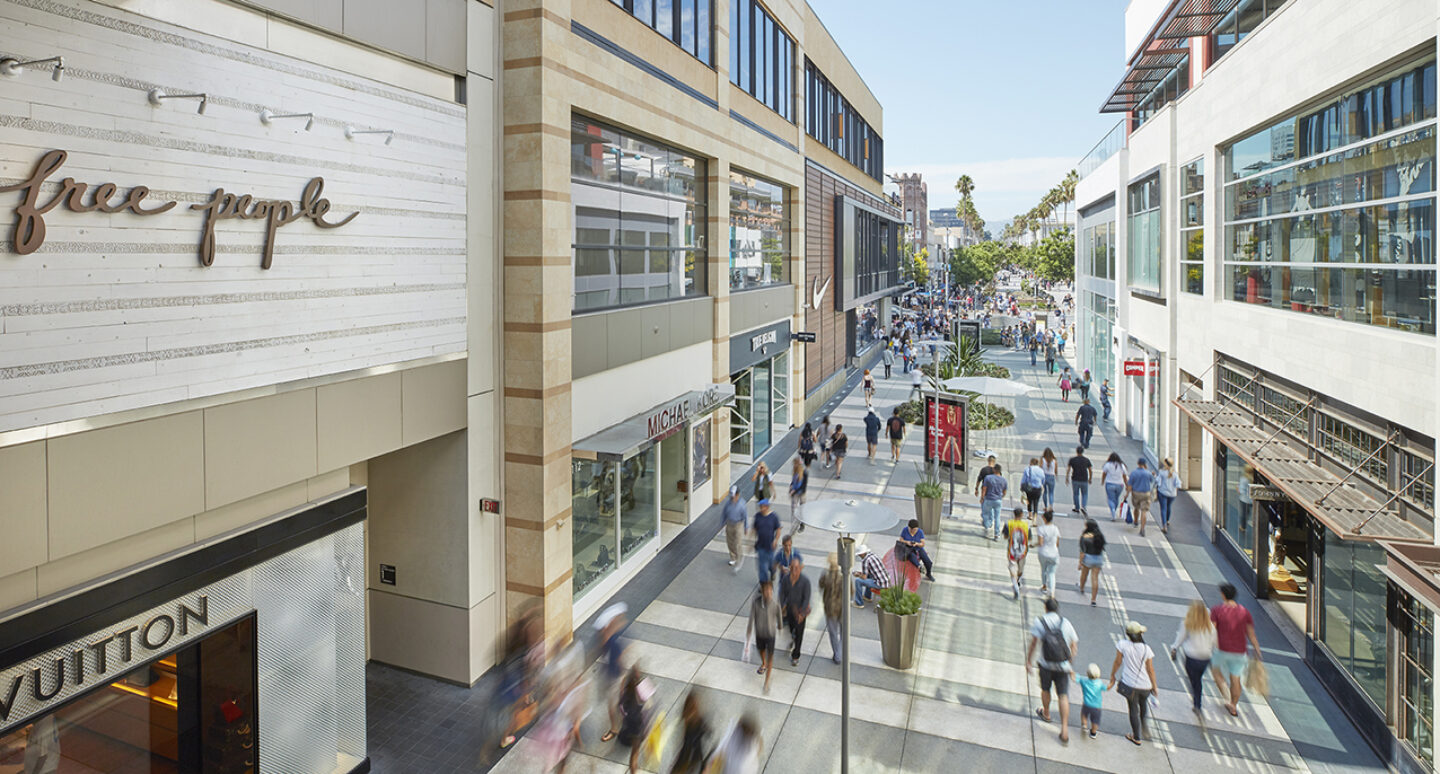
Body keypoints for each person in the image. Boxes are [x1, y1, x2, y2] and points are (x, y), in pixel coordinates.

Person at [1026, 597, 1079, 745]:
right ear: (1057, 609)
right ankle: (1064, 729)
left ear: (1046, 608)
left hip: (1046, 664)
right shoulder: (1066, 623)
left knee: (1045, 690)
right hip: (1062, 666)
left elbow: (1034, 643)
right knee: (1063, 695)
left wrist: (1029, 661)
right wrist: (1069, 662)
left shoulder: (1040, 622)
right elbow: (1074, 644)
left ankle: (1047, 713)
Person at [1211, 582, 1262, 718]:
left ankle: (1226, 694)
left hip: (1221, 649)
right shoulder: (1244, 612)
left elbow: (1212, 630)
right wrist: (1257, 649)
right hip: (1239, 652)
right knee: (1236, 679)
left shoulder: (1217, 610)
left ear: (1223, 595)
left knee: (1216, 672)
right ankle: (1234, 706)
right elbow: (1251, 633)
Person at [1109, 621, 1158, 746]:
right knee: (1143, 705)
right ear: (1140, 634)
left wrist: (1113, 674)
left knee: (1133, 709)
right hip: (1145, 685)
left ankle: (1136, 736)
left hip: (1129, 684)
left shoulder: (1122, 645)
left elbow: (1118, 662)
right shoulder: (1147, 649)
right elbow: (1150, 669)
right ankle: (1144, 724)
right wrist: (1154, 686)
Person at [1172, 600, 1217, 721]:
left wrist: (1174, 647)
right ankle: (1197, 702)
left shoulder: (1187, 623)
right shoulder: (1210, 626)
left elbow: (1180, 637)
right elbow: (1215, 642)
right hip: (1205, 658)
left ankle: (1197, 703)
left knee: (1194, 680)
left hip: (1191, 656)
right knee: (1198, 680)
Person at [746, 581, 782, 693]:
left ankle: (766, 682)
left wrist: (780, 626)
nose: (768, 593)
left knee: (770, 657)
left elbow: (779, 615)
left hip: (770, 634)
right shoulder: (756, 603)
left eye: (770, 590)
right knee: (760, 650)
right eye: (766, 590)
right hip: (760, 633)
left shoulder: (775, 604)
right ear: (762, 591)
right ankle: (763, 663)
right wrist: (749, 630)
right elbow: (752, 616)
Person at [778, 557, 811, 667]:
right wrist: (782, 606)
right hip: (788, 611)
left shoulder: (805, 581)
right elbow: (782, 594)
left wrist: (802, 614)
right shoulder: (786, 579)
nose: (794, 570)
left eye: (796, 568)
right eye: (792, 568)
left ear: (800, 568)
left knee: (799, 634)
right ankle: (792, 637)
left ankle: (796, 655)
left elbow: (806, 598)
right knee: (790, 629)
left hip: (800, 613)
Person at [616, 665, 650, 772]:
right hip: (639, 726)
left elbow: (621, 708)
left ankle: (634, 769)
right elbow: (648, 706)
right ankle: (634, 770)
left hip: (631, 725)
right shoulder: (642, 690)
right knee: (635, 753)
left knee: (635, 753)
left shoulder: (626, 693)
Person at [669, 690, 711, 774]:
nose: (691, 711)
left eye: (692, 707)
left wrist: (705, 767)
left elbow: (706, 746)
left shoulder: (701, 723)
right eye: (689, 707)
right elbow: (682, 745)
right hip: (684, 759)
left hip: (696, 761)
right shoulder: (686, 721)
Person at [818, 553, 844, 665]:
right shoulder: (843, 576)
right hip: (842, 607)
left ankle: (837, 655)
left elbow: (820, 585)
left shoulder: (825, 575)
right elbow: (851, 591)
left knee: (833, 633)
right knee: (844, 632)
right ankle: (840, 653)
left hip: (830, 607)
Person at [751, 499, 781, 585]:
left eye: (762, 507)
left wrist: (775, 540)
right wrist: (751, 539)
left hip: (770, 546)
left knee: (771, 564)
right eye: (760, 507)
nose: (761, 508)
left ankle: (773, 571)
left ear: (767, 507)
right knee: (762, 567)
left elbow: (778, 529)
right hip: (760, 546)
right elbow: (754, 528)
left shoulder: (773, 517)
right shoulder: (757, 516)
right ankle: (763, 584)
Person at [1003, 507, 1031, 599]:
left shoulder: (1009, 523)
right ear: (1022, 515)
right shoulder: (1026, 525)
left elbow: (1005, 536)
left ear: (1014, 514)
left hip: (1011, 550)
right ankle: (1018, 580)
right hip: (1023, 551)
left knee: (1012, 568)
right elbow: (1029, 538)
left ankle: (1015, 586)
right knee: (1020, 569)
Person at [1077, 519, 1106, 607]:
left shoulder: (1084, 536)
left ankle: (1082, 588)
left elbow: (1082, 552)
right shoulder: (1100, 536)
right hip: (1098, 558)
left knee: (1084, 574)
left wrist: (1080, 563)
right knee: (1095, 578)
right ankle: (1093, 599)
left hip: (1088, 558)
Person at [1035, 509, 1061, 596]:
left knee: (1043, 570)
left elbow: (1041, 543)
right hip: (1054, 553)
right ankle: (1052, 592)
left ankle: (1044, 586)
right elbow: (1057, 543)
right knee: (1052, 573)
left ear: (1044, 519)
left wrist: (1033, 545)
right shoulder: (1056, 529)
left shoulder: (1041, 529)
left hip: (1043, 552)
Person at [1126, 458, 1155, 536]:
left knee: (1136, 508)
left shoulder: (1133, 473)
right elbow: (1152, 480)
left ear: (1137, 463)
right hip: (1146, 494)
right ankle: (1142, 529)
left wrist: (1127, 494)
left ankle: (1135, 521)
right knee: (1144, 511)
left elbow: (1130, 485)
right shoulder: (1148, 473)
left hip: (1136, 493)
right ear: (1145, 464)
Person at [722, 487, 747, 572]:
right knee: (730, 542)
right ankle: (733, 557)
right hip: (729, 523)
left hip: (738, 524)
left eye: (734, 496)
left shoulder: (742, 504)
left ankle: (739, 557)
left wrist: (746, 527)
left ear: (737, 495)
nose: (732, 497)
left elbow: (745, 516)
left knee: (738, 542)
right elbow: (724, 513)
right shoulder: (728, 503)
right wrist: (722, 523)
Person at [980, 463, 1007, 541]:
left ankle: (987, 525)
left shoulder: (988, 478)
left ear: (994, 470)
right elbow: (1004, 491)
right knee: (997, 517)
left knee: (985, 514)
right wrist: (1001, 497)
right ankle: (997, 534)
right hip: (998, 500)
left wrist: (982, 497)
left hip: (988, 498)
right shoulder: (1003, 480)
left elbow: (984, 488)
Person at [1078, 664, 1106, 740]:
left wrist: (1072, 672)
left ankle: (1084, 725)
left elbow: (1076, 678)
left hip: (1086, 704)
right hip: (1097, 707)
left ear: (1087, 673)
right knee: (1095, 720)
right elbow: (1106, 688)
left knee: (1084, 714)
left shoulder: (1084, 681)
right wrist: (1112, 682)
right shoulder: (1099, 683)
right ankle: (1093, 733)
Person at [1156, 458, 1181, 534]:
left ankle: (1164, 526)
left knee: (1163, 509)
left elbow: (1158, 482)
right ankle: (1167, 520)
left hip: (1163, 492)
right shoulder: (1175, 474)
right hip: (1172, 494)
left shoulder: (1162, 472)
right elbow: (1178, 484)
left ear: (1166, 464)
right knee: (1168, 507)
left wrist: (1154, 476)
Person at [1101, 453, 1128, 522]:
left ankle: (1112, 509)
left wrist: (1103, 481)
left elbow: (1104, 473)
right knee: (1116, 498)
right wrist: (1127, 485)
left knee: (1110, 498)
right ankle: (1114, 509)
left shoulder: (1107, 465)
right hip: (1120, 484)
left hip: (1110, 483)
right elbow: (1124, 476)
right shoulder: (1122, 466)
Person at [1067, 447, 1092, 516]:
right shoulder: (1086, 460)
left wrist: (1067, 478)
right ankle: (1083, 506)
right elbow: (1090, 470)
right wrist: (1090, 478)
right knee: (1084, 494)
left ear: (1076, 451)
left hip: (1075, 478)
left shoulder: (1072, 460)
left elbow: (1068, 469)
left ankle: (1077, 507)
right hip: (1084, 479)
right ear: (1082, 452)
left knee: (1076, 494)